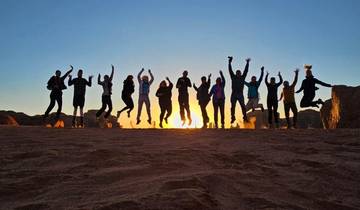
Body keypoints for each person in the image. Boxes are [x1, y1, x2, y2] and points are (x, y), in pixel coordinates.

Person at [228, 56, 250, 123]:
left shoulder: (242, 77)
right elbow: (230, 70)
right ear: (236, 73)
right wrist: (229, 62)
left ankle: (245, 117)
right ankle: (233, 118)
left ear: (240, 74)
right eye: (237, 73)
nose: (238, 74)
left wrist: (247, 63)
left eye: (239, 73)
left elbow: (246, 71)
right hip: (234, 93)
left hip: (240, 94)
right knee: (233, 107)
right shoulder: (233, 77)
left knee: (243, 106)